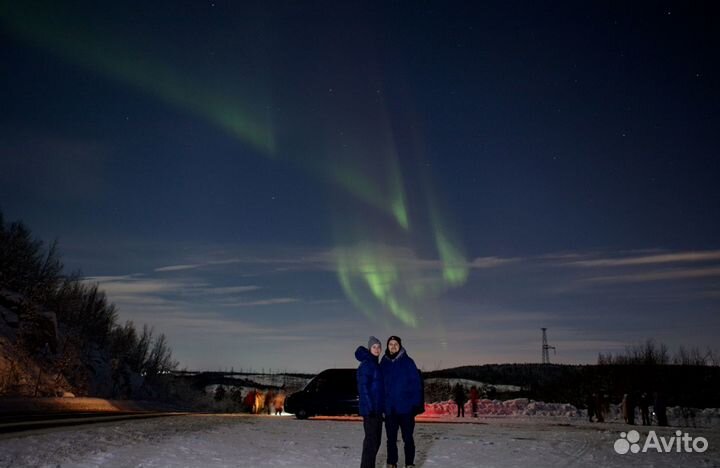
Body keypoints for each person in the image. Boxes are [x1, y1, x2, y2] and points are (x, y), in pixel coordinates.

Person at [381, 335, 423, 468]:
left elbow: (416, 384)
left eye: (395, 344)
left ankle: (409, 463)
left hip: (406, 409)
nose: (393, 346)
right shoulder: (384, 362)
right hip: (390, 409)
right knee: (391, 440)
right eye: (390, 344)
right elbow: (380, 386)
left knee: (408, 438)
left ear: (400, 346)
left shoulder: (408, 362)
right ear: (387, 346)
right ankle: (391, 463)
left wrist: (415, 405)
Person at [356, 336, 384, 468]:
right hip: (370, 411)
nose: (377, 349)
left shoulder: (375, 364)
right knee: (371, 443)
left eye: (379, 347)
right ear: (369, 348)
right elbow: (363, 388)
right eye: (374, 347)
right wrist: (370, 408)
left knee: (376, 442)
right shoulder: (367, 364)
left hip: (377, 410)